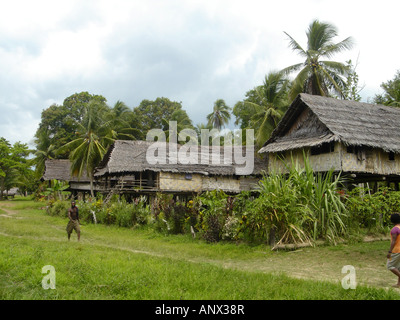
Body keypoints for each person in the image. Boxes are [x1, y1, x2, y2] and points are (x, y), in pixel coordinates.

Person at [387, 213, 400, 287]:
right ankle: (399, 284)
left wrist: (390, 252)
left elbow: (393, 241)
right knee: (399, 267)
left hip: (397, 250)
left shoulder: (395, 229)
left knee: (390, 265)